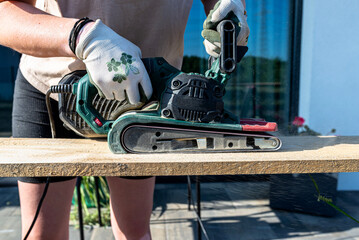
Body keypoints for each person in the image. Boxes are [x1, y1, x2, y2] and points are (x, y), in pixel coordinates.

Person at [0, 0, 249, 239]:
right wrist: (82, 35)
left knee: (134, 232)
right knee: (42, 236)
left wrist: (230, 10)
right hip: (54, 86)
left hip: (147, 99)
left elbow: (220, 4)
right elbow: (5, 12)